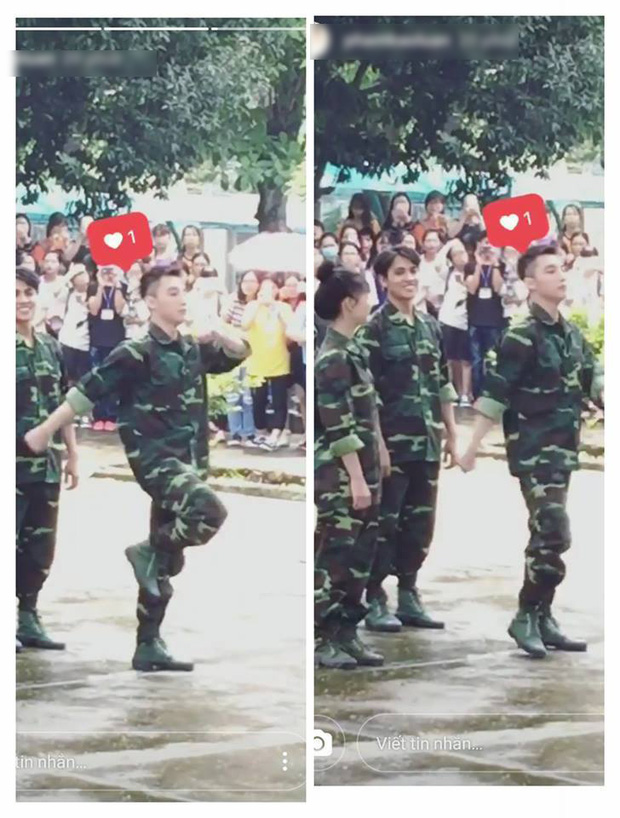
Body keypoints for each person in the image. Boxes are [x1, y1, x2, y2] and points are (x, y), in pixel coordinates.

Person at [24, 264, 249, 672]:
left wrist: (215, 327)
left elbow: (240, 352)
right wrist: (44, 431)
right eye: (172, 292)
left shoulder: (192, 348)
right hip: (156, 460)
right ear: (150, 301)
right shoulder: (136, 352)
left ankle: (148, 643)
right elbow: (86, 391)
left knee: (165, 564)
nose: (182, 299)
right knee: (208, 512)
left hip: (190, 462)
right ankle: (146, 552)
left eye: (184, 291)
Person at [460, 244, 604, 658]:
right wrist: (472, 447)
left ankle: (542, 616)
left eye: (562, 269)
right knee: (554, 529)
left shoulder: (570, 333)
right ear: (529, 282)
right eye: (550, 270)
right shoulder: (522, 335)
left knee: (547, 535)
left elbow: (594, 377)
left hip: (563, 450)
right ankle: (526, 613)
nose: (561, 276)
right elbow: (496, 392)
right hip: (533, 450)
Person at [356, 245, 459, 633]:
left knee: (420, 524)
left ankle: (409, 593)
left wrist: (452, 433)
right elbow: (367, 394)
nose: (409, 278)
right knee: (385, 523)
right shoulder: (374, 329)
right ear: (383, 280)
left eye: (413, 270)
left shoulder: (431, 326)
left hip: (427, 441)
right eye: (399, 272)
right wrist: (378, 444)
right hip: (393, 445)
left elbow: (442, 383)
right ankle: (374, 596)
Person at [314, 261, 389, 669]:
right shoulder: (332, 358)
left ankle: (346, 631)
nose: (370, 304)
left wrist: (380, 451)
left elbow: (367, 411)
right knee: (334, 558)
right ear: (348, 303)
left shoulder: (353, 349)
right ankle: (320, 637)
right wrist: (357, 478)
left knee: (361, 557)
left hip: (365, 470)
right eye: (366, 297)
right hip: (340, 476)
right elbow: (338, 424)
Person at [16, 266, 79, 652]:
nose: (23, 300)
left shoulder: (50, 347)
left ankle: (28, 616)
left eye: (28, 293)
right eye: (14, 293)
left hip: (47, 467)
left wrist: (72, 453)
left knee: (40, 546)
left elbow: (64, 404)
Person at [241, 277, 293, 451]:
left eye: (269, 289)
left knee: (279, 399)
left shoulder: (283, 307)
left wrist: (277, 311)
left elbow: (291, 327)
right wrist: (257, 305)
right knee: (258, 399)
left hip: (279, 360)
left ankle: (276, 433)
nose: (265, 293)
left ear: (276, 291)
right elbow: (244, 325)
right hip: (256, 361)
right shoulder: (252, 306)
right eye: (262, 290)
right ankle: (260, 431)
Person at [464, 233, 506, 398]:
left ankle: (491, 394)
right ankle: (477, 394)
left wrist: (494, 264)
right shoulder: (470, 266)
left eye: (491, 243)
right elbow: (471, 288)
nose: (488, 246)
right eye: (485, 243)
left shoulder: (501, 266)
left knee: (492, 359)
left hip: (494, 319)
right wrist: (479, 264)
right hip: (475, 319)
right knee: (475, 360)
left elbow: (497, 288)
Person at [87, 264, 127, 431]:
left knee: (113, 379)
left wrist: (116, 286)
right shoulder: (93, 287)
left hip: (115, 339)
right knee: (98, 378)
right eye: (106, 271)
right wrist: (100, 286)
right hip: (97, 339)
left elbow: (119, 308)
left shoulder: (122, 288)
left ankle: (111, 415)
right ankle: (98, 415)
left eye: (112, 271)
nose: (109, 275)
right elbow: (94, 310)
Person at [223, 271, 259, 447]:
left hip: (255, 353)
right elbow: (224, 321)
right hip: (234, 350)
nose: (248, 284)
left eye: (252, 281)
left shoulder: (260, 303)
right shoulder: (233, 301)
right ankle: (235, 433)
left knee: (248, 395)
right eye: (245, 281)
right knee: (233, 393)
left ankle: (250, 433)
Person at [438, 241, 473, 406]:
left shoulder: (473, 271)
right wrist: (451, 242)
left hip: (466, 321)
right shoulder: (449, 272)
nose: (460, 256)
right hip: (449, 319)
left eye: (462, 252)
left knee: (466, 359)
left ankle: (466, 393)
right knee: (452, 359)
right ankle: (457, 392)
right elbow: (438, 263)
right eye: (456, 254)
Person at [58, 263, 91, 401]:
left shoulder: (93, 292)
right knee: (68, 374)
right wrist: (70, 273)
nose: (82, 278)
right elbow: (58, 288)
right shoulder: (68, 293)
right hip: (68, 340)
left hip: (85, 342)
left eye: (83, 274)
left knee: (83, 377)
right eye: (78, 275)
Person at [35, 250, 66, 336]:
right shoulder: (37, 282)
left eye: (53, 261)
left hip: (60, 328)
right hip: (40, 326)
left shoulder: (65, 282)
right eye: (47, 261)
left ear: (59, 264)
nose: (49, 264)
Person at [124, 261, 150, 341]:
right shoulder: (124, 292)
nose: (134, 276)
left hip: (144, 336)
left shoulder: (148, 292)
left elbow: (146, 317)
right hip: (128, 337)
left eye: (137, 273)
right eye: (131, 273)